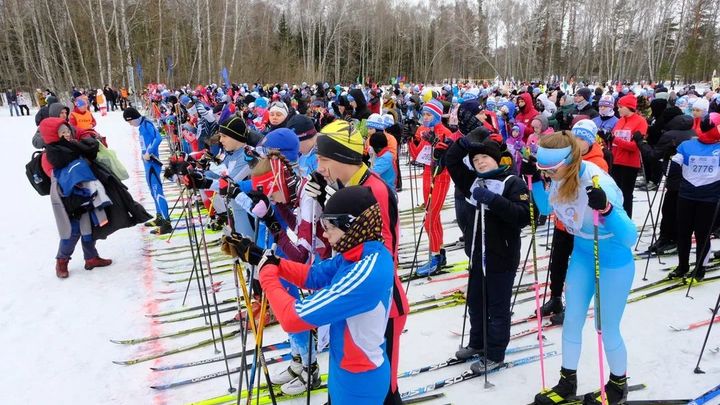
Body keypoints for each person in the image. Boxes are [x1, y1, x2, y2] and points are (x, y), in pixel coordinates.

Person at [222, 186, 394, 404]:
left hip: (359, 383)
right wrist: (267, 260)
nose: (325, 233)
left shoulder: (367, 271)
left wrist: (266, 274)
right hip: (345, 370)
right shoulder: (357, 254)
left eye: (329, 226)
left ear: (351, 226)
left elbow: (293, 318)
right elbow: (313, 275)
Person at [528, 131, 637, 405]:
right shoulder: (557, 177)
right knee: (572, 321)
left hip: (612, 258)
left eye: (551, 169)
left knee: (607, 327)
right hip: (582, 255)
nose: (548, 173)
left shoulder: (596, 180)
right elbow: (545, 207)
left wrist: (608, 209)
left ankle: (617, 384)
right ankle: (567, 380)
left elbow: (629, 238)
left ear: (569, 161)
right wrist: (535, 181)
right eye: (543, 168)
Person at [304, 120, 408, 404]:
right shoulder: (346, 187)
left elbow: (379, 253)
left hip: (381, 305)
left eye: (323, 159)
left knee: (386, 390)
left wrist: (331, 205)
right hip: (353, 298)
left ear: (342, 157)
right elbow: (339, 245)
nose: (319, 167)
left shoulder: (374, 190)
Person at [445, 136, 530, 372]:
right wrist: (463, 143)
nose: (480, 162)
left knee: (497, 308)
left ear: (496, 159)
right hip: (476, 254)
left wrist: (493, 200)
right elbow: (451, 162)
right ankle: (478, 343)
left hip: (501, 256)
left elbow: (523, 216)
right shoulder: (473, 182)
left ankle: (495, 354)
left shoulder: (513, 182)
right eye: (476, 159)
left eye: (485, 157)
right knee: (475, 301)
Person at [540, 120, 610, 323]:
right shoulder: (564, 158)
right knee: (558, 261)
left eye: (582, 139)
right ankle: (555, 298)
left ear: (590, 141)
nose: (578, 142)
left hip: (583, 226)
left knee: (578, 267)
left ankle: (573, 307)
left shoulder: (597, 162)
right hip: (563, 222)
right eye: (575, 138)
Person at [39, 117, 112, 278]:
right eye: (62, 132)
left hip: (86, 192)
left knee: (89, 226)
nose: (67, 134)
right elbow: (55, 176)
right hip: (69, 197)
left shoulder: (73, 145)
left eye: (67, 131)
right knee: (72, 231)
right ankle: (62, 261)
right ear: (53, 135)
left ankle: (91, 257)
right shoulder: (50, 154)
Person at [667, 113, 720, 281]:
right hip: (686, 196)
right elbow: (672, 169)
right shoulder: (687, 145)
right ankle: (683, 266)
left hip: (709, 199)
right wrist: (671, 158)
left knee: (702, 235)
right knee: (683, 233)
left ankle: (699, 269)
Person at [408, 99, 455, 275]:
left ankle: (435, 257)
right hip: (427, 175)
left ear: (437, 116)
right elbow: (416, 155)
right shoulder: (425, 130)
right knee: (433, 217)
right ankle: (440, 253)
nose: (425, 118)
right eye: (424, 114)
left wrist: (438, 145)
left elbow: (448, 157)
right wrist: (412, 139)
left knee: (429, 220)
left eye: (429, 115)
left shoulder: (446, 132)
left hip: (440, 177)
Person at [647, 107, 695, 255]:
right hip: (689, 178)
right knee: (677, 210)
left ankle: (668, 239)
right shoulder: (693, 131)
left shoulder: (669, 134)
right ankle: (669, 238)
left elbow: (654, 155)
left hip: (675, 176)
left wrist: (641, 143)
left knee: (669, 210)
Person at [122, 107, 171, 234]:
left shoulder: (147, 123)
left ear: (134, 117)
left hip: (153, 162)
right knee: (152, 191)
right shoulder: (141, 126)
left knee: (157, 191)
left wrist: (149, 152)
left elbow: (158, 138)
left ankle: (167, 222)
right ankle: (160, 216)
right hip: (147, 163)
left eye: (130, 121)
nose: (130, 124)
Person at [610, 94, 648, 217]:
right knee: (615, 194)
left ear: (628, 107)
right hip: (615, 161)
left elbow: (635, 146)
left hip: (629, 163)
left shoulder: (640, 122)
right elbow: (614, 138)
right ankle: (615, 219)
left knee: (626, 194)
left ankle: (626, 221)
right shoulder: (620, 120)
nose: (618, 109)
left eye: (620, 107)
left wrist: (616, 140)